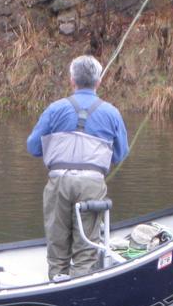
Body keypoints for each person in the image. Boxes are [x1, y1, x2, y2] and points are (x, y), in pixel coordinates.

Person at [26, 55, 129, 280]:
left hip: (59, 183)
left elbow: (33, 147)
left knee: (57, 247)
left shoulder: (55, 109)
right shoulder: (111, 113)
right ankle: (79, 287)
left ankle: (56, 284)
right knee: (86, 248)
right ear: (98, 82)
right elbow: (120, 154)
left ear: (72, 81)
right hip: (92, 185)